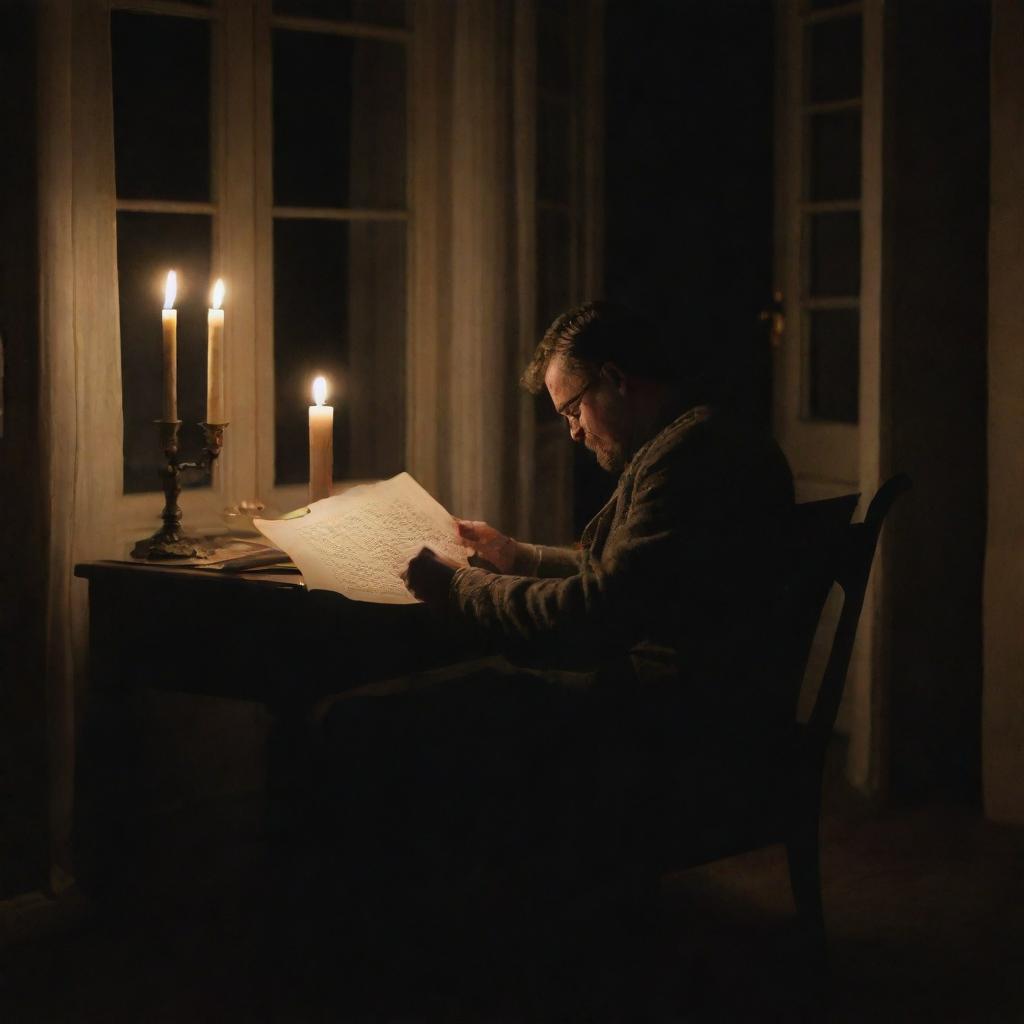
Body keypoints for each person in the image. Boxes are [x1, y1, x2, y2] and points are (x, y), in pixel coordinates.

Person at [312, 301, 794, 1015]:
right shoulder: (704, 438)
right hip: (690, 708)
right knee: (457, 704)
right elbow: (634, 581)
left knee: (375, 726)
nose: (572, 431)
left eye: (572, 409)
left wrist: (464, 589)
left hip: (667, 730)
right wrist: (517, 557)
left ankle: (395, 962)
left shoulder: (688, 460)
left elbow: (601, 614)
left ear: (616, 380)